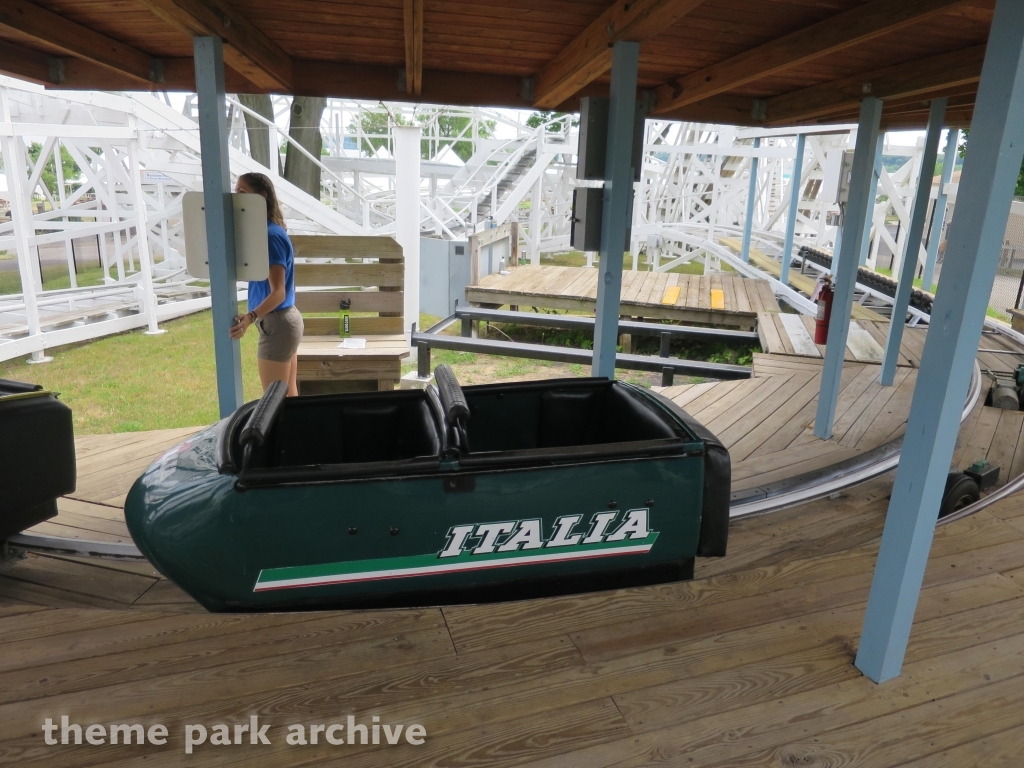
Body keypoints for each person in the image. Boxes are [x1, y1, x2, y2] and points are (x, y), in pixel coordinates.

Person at [229, 172, 304, 396]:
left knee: (273, 402)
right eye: (236, 191)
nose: (236, 197)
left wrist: (251, 317)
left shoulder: (270, 236)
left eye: (242, 192)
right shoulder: (268, 232)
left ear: (261, 197)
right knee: (288, 398)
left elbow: (278, 292)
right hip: (284, 323)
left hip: (278, 324)